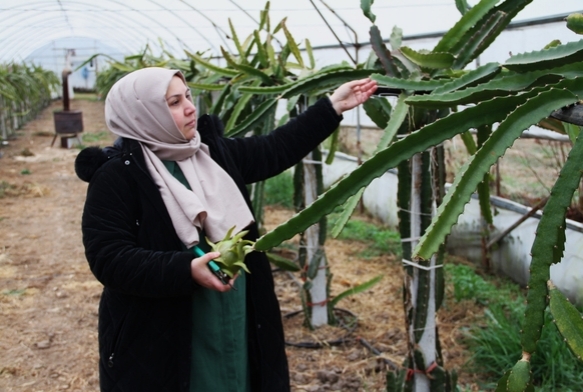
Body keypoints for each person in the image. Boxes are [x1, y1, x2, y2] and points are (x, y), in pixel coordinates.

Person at [75, 66, 377, 392]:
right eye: (173, 103)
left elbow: (276, 147)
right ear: (143, 114)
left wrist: (332, 106)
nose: (190, 107)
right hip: (166, 327)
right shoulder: (117, 176)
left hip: (235, 310)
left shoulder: (210, 153)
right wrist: (185, 270)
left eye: (187, 96)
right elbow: (109, 258)